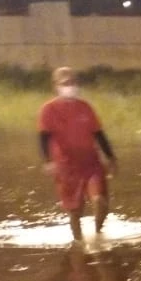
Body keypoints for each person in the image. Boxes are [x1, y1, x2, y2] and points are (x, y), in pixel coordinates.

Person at [38, 66, 116, 242]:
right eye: (65, 83)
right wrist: (47, 160)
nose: (70, 86)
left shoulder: (85, 107)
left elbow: (99, 134)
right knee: (75, 211)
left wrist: (110, 157)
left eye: (73, 82)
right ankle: (78, 245)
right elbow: (43, 137)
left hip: (91, 163)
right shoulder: (48, 110)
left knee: (100, 201)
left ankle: (98, 234)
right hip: (66, 167)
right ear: (56, 85)